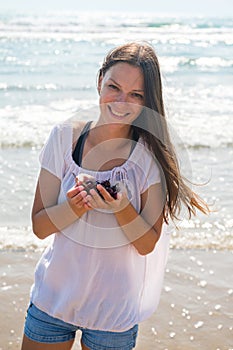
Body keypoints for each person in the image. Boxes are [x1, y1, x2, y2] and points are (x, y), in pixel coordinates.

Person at [21, 41, 209, 350]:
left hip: (114, 313)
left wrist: (121, 209)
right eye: (114, 87)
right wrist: (75, 206)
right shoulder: (64, 137)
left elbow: (146, 243)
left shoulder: (151, 158)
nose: (122, 102)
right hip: (52, 300)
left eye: (136, 95)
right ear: (99, 82)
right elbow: (40, 227)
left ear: (148, 102)